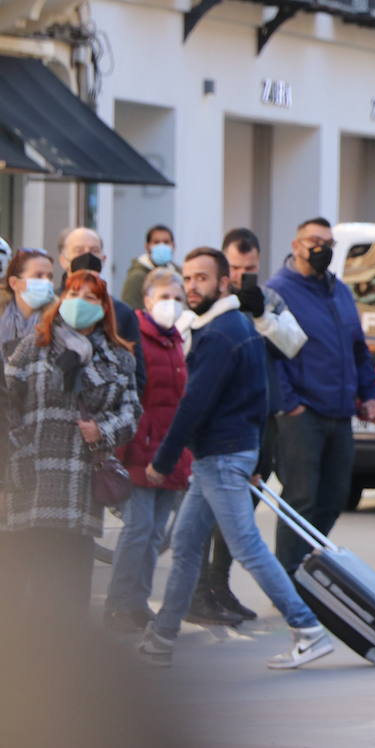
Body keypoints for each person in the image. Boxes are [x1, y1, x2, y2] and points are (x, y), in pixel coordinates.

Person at [137, 248, 333, 669]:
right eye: (187, 278)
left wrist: (164, 459)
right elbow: (256, 396)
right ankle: (161, 638)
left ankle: (308, 629)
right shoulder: (231, 327)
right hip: (222, 455)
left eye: (201, 278)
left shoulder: (223, 333)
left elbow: (194, 404)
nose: (191, 286)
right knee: (188, 546)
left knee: (246, 547)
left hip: (223, 457)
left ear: (224, 282)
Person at [1, 269, 141, 627]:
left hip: (79, 485)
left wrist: (103, 430)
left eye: (91, 297)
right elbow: (6, 397)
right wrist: (18, 444)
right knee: (26, 582)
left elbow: (131, 414)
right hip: (32, 477)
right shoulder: (36, 344)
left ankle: (64, 662)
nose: (81, 303)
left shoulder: (120, 358)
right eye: (75, 293)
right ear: (63, 299)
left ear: (104, 307)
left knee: (71, 586)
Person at [185, 227, 311, 625]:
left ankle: (218, 586)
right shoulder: (204, 302)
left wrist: (261, 316)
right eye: (235, 268)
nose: (242, 275)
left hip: (263, 417)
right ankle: (199, 590)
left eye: (250, 267)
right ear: (223, 269)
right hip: (220, 423)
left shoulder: (268, 297)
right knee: (211, 513)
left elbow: (294, 343)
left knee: (243, 509)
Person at [268, 217, 375, 574]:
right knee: (301, 498)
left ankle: (309, 567)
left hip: (340, 412)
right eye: (314, 241)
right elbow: (272, 355)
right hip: (302, 415)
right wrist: (290, 404)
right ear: (296, 245)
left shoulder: (340, 291)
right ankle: (287, 579)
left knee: (334, 498)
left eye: (328, 243)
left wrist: (371, 394)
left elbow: (357, 350)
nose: (321, 248)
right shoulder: (278, 292)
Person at [104, 268, 194, 633]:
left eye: (177, 298)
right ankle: (117, 604)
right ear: (147, 300)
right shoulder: (134, 336)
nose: (170, 305)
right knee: (137, 529)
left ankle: (138, 603)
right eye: (164, 297)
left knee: (155, 534)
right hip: (139, 450)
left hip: (168, 452)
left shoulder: (176, 340)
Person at [57, 227, 146, 394]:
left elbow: (136, 379)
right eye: (79, 250)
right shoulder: (50, 306)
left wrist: (108, 419)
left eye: (94, 250)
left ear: (103, 259)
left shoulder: (122, 313)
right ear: (63, 260)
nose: (87, 256)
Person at [2, 247, 56, 350]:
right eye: (38, 275)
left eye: (49, 276)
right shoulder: (3, 317)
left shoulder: (58, 320)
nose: (46, 282)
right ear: (14, 283)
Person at [120, 224, 177, 310]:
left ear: (173, 246)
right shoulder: (137, 277)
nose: (162, 246)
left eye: (166, 242)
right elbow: (129, 310)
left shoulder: (178, 273)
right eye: (156, 242)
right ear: (147, 246)